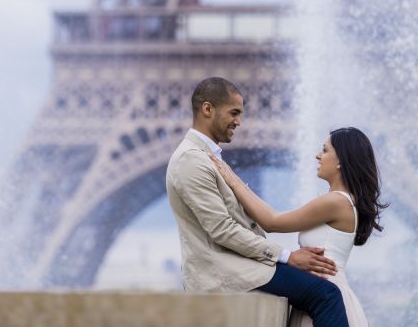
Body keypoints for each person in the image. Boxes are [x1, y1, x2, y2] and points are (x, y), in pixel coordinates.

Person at [165, 77, 349, 327]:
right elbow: (222, 229)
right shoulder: (192, 160)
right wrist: (287, 256)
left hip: (238, 266)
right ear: (207, 109)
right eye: (234, 112)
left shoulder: (206, 157)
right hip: (225, 271)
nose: (239, 121)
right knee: (326, 295)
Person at [208, 127, 388, 327]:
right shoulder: (342, 201)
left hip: (322, 298)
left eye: (325, 150)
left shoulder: (335, 202)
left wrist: (233, 180)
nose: (318, 155)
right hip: (319, 294)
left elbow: (272, 222)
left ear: (341, 161)